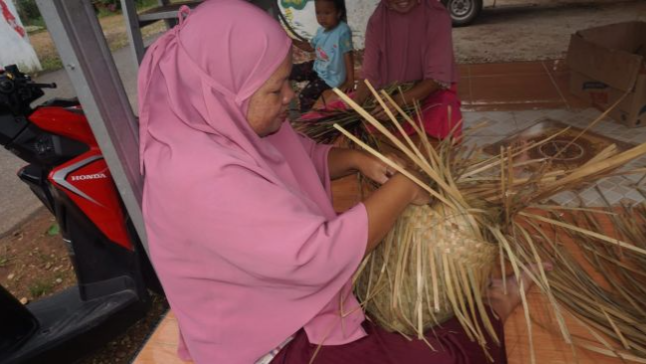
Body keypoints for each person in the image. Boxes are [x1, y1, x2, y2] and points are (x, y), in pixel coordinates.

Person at [138, 1, 543, 363]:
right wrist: (404, 185)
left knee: (405, 298)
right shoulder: (198, 175)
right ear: (224, 90)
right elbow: (316, 257)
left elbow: (298, 154)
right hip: (262, 339)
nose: (291, 97)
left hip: (286, 294)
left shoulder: (227, 121)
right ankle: (492, 309)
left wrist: (356, 160)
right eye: (276, 88)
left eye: (290, 80)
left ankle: (481, 306)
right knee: (432, 356)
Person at [354, 0, 463, 140]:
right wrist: (356, 105)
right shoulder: (378, 20)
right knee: (364, 118)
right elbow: (369, 72)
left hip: (430, 91)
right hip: (390, 92)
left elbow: (437, 77)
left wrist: (399, 101)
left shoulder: (436, 15)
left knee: (443, 118)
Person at [290, 0, 354, 112]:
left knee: (304, 96)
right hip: (318, 67)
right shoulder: (320, 31)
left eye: (327, 13)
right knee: (292, 70)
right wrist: (292, 40)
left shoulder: (343, 31)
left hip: (331, 77)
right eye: (318, 13)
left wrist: (350, 80)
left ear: (338, 13)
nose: (322, 18)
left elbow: (348, 55)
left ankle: (307, 122)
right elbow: (310, 47)